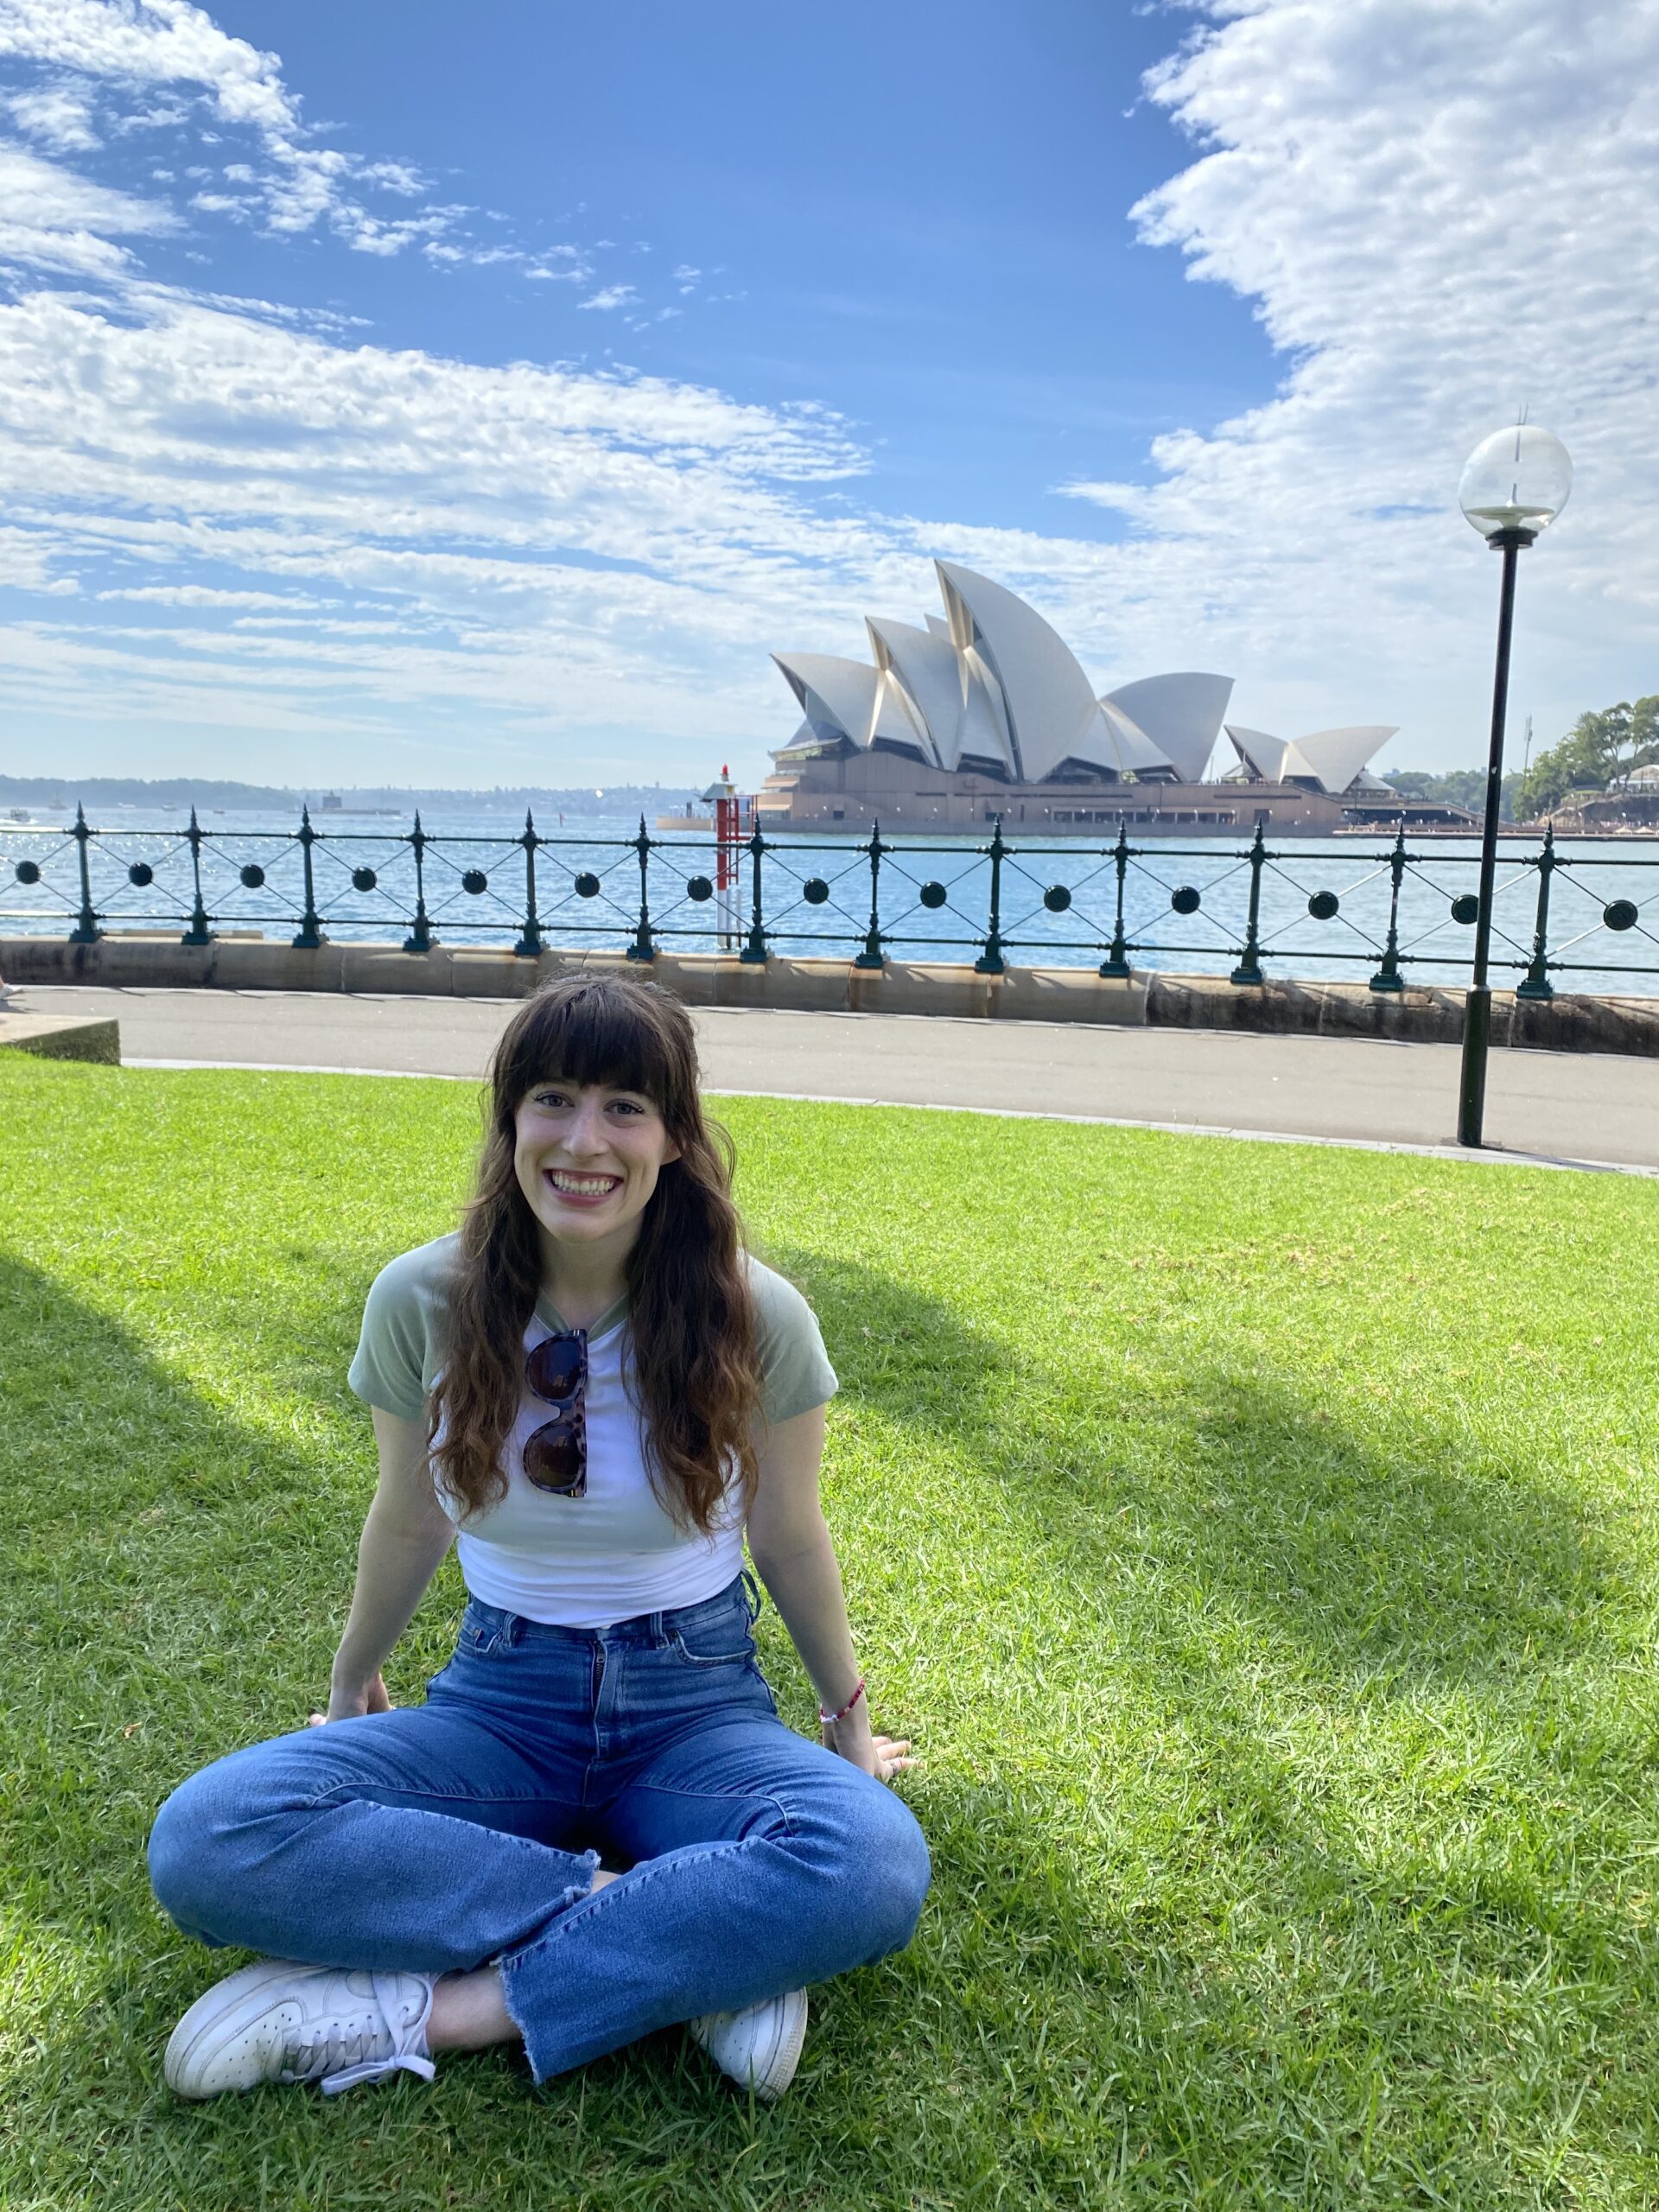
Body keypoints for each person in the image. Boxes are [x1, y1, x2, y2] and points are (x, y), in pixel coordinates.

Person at [149, 973, 929, 2103]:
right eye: (553, 1099)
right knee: (208, 1836)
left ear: (674, 1137)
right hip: (499, 1707)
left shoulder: (758, 1315)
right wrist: (353, 1675)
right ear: (510, 1121)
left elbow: (789, 1533)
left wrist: (845, 1723)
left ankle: (436, 2011)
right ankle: (689, 1938)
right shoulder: (422, 1300)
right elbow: (409, 1515)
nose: (583, 1140)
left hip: (695, 1709)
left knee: (871, 1861)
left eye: (625, 1106)